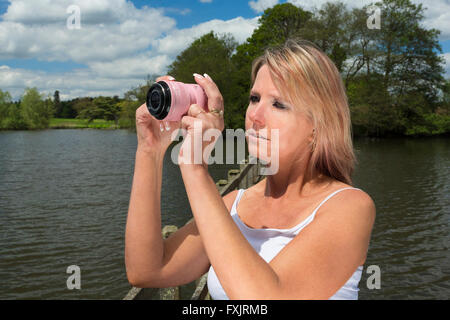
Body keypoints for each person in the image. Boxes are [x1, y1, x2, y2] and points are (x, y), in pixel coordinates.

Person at [125, 39, 376, 300]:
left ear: (318, 125)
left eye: (278, 104)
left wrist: (195, 167)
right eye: (254, 98)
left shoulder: (349, 207)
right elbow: (148, 271)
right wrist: (149, 150)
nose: (254, 115)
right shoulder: (234, 205)